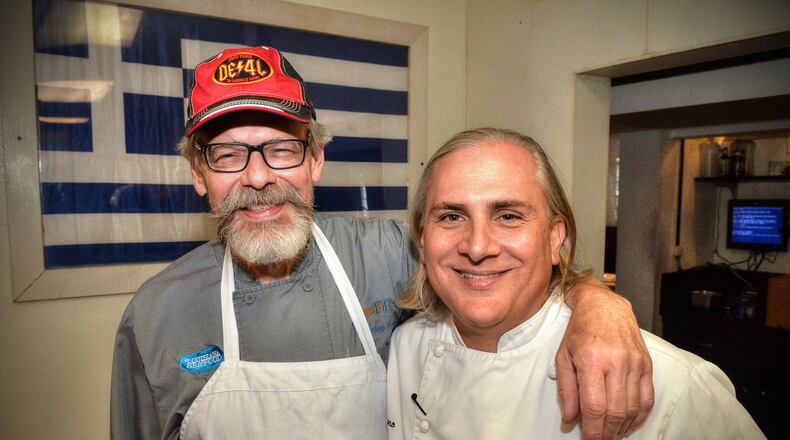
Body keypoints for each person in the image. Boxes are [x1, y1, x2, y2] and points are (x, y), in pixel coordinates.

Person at [111, 46, 652, 440]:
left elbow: (509, 268)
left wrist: (599, 304)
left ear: (316, 160)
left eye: (281, 150)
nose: (257, 179)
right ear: (197, 173)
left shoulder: (387, 253)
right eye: (227, 154)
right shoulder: (158, 312)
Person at [386, 128, 765, 440]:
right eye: (451, 216)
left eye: (508, 215)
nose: (477, 247)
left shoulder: (671, 384)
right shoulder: (409, 346)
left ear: (555, 238)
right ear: (422, 238)